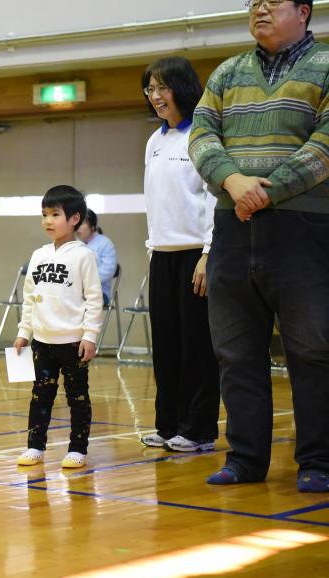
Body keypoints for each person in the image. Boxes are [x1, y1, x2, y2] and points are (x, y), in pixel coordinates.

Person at [189, 0, 329, 492]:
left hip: (304, 229)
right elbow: (202, 137)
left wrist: (267, 191)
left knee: (312, 348)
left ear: (304, 11)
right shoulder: (227, 72)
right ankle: (245, 460)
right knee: (235, 350)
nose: (260, 9)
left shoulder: (327, 66)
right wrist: (232, 182)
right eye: (254, 3)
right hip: (233, 227)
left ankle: (318, 462)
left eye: (273, 2)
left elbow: (326, 144)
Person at [140, 56, 221, 454]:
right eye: (150, 89)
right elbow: (156, 203)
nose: (156, 96)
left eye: (162, 87)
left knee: (197, 347)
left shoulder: (203, 136)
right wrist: (153, 250)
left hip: (195, 255)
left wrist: (208, 254)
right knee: (167, 346)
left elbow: (212, 200)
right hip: (162, 255)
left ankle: (199, 430)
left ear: (183, 89)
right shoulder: (155, 141)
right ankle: (168, 423)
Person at [14, 185, 103, 469]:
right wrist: (23, 333)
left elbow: (94, 299)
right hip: (42, 341)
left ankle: (78, 448)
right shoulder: (38, 254)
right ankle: (34, 446)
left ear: (75, 218)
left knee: (77, 397)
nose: (48, 221)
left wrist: (89, 336)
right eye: (44, 215)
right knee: (40, 396)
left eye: (55, 214)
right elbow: (29, 298)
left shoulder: (83, 255)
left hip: (72, 342)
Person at [77, 208, 117, 305]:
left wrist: (85, 282)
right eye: (77, 225)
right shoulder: (76, 244)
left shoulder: (105, 243)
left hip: (99, 292)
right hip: (77, 291)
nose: (78, 229)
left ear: (92, 226)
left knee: (73, 302)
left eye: (82, 224)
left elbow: (108, 270)